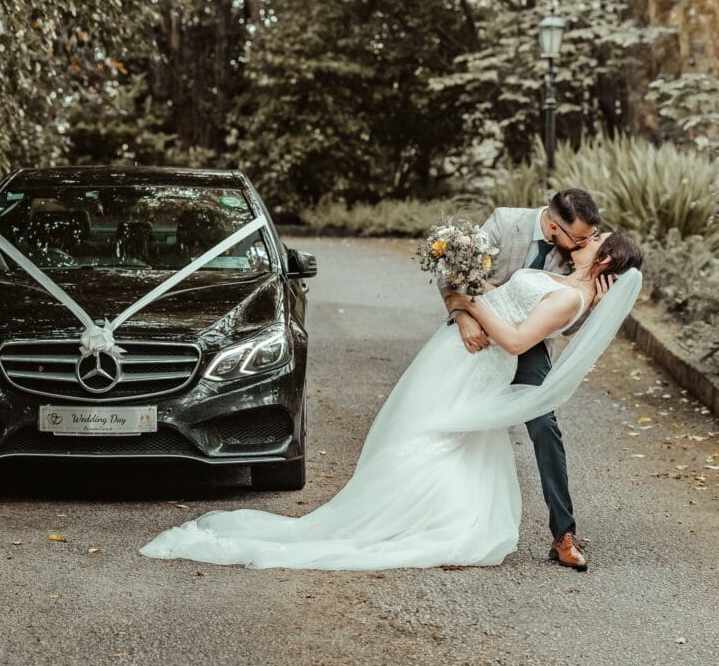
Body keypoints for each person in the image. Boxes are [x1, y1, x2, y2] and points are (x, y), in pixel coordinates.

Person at [138, 230, 644, 571]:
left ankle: (404, 516)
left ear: (602, 259)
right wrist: (466, 284)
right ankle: (409, 508)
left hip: (479, 361)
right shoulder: (562, 280)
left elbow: (514, 340)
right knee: (420, 429)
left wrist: (470, 303)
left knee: (429, 435)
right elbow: (509, 297)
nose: (587, 237)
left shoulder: (570, 298)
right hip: (457, 353)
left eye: (595, 239)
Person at [451, 189, 604, 570]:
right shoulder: (505, 223)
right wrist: (462, 317)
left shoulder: (580, 254)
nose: (585, 245)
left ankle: (563, 534)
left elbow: (565, 326)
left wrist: (593, 303)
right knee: (456, 419)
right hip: (480, 329)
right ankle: (446, 515)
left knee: (544, 424)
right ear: (554, 226)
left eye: (588, 238)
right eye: (579, 239)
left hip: (528, 342)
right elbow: (453, 268)